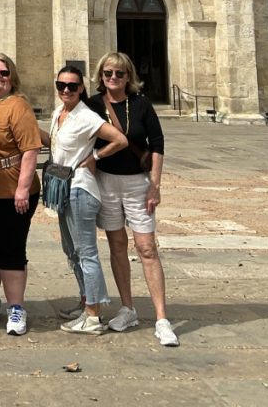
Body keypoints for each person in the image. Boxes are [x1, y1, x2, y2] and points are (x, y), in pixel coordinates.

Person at [88, 51, 179, 347]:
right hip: (106, 183)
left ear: (129, 76)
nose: (113, 78)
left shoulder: (140, 104)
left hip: (138, 185)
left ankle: (162, 318)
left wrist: (155, 185)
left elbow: (158, 143)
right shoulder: (92, 105)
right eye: (107, 73)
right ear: (101, 76)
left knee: (147, 247)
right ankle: (127, 308)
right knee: (116, 245)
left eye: (119, 73)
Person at [47, 64, 127, 336]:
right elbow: (56, 144)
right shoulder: (60, 112)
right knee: (72, 251)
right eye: (61, 86)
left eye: (72, 86)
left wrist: (95, 157)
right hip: (62, 188)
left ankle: (93, 316)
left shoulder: (86, 116)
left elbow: (119, 139)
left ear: (81, 88)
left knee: (86, 253)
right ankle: (85, 302)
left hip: (81, 189)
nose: (66, 90)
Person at [0, 53, 41, 336]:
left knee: (10, 248)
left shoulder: (18, 106)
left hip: (13, 189)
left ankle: (16, 307)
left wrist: (22, 188)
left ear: (12, 77)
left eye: (3, 72)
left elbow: (30, 149)